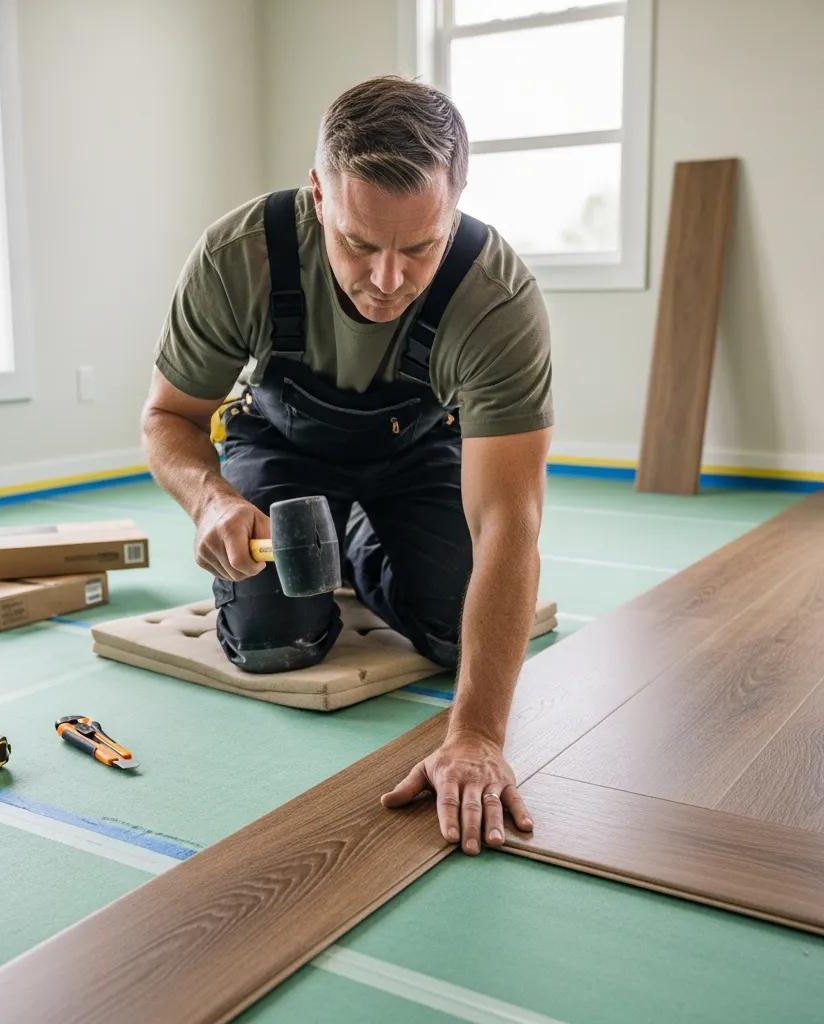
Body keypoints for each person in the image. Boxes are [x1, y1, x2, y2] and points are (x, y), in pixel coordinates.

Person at [141, 75, 554, 855]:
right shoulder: (240, 257)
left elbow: (510, 520)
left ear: (458, 199)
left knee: (459, 635)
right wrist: (208, 501)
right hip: (280, 452)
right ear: (318, 197)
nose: (388, 280)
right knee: (274, 645)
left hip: (417, 452)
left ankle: (357, 544)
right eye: (359, 244)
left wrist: (475, 734)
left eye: (421, 247)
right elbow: (169, 419)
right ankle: (322, 540)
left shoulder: (497, 298)